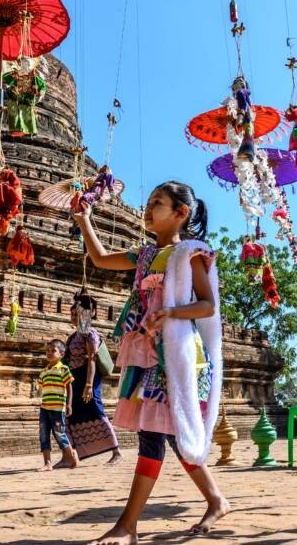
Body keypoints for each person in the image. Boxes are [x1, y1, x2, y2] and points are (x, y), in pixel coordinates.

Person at [73, 180, 229, 545]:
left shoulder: (191, 254)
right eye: (148, 202)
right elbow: (98, 259)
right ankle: (216, 500)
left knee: (155, 436)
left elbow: (207, 305)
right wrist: (85, 221)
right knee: (169, 435)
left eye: (157, 203)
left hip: (176, 358)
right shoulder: (143, 255)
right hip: (146, 353)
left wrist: (172, 311)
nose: (147, 209)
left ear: (181, 213)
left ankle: (128, 524)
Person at [64, 293, 122, 465]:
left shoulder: (90, 333)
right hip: (75, 378)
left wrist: (89, 385)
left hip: (88, 376)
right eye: (72, 314)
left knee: (96, 410)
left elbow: (91, 359)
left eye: (78, 314)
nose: (74, 317)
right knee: (72, 414)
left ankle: (116, 451)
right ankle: (72, 454)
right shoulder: (74, 336)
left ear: (87, 314)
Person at [38, 339, 78, 471]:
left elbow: (69, 387)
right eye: (47, 351)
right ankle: (47, 463)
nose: (49, 353)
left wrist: (69, 404)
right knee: (43, 434)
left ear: (61, 354)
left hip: (57, 408)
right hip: (44, 408)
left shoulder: (63, 369)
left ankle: (70, 457)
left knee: (59, 433)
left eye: (53, 350)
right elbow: (42, 387)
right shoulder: (44, 371)